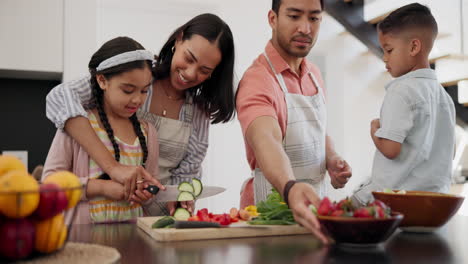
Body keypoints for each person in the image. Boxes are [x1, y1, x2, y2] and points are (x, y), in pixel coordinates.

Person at [45, 13, 235, 215]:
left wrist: (181, 199)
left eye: (204, 70)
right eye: (189, 58)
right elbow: (60, 97)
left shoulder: (197, 112)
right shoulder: (136, 74)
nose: (190, 73)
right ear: (179, 39)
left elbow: (187, 172)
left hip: (152, 218)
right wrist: (113, 167)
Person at [236, 0, 351, 243]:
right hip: (269, 220)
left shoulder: (314, 74)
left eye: (314, 18)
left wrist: (331, 158)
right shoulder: (257, 80)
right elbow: (266, 140)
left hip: (314, 215)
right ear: (273, 19)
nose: (305, 28)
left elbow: (318, 130)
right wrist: (290, 188)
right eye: (294, 16)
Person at [43, 36, 162, 224]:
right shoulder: (76, 124)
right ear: (102, 81)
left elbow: (152, 183)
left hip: (133, 241)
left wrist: (146, 194)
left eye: (144, 90)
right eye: (128, 90)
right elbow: (49, 184)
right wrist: (101, 188)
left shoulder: (149, 133)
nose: (137, 100)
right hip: (84, 244)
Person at [352, 3, 456, 205]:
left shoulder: (401, 91)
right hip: (436, 202)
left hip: (397, 200)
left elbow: (391, 149)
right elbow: (448, 152)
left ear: (414, 47)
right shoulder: (445, 97)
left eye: (389, 50)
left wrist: (374, 130)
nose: (384, 58)